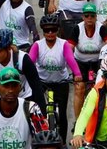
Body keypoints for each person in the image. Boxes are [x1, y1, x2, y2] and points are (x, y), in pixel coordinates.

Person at [29, 13, 82, 145]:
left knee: (62, 114)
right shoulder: (37, 45)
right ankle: (37, 139)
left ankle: (63, 142)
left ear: (58, 30)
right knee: (38, 112)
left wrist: (77, 73)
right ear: (43, 31)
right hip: (42, 83)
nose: (50, 33)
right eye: (47, 30)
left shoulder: (63, 44)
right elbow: (30, 63)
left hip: (60, 82)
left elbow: (70, 59)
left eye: (53, 29)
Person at [0, 29, 47, 118]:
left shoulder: (23, 59)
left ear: (8, 48)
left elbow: (37, 88)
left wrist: (43, 116)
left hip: (22, 100)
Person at [0, 67, 49, 149]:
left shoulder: (31, 108)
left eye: (14, 86)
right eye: (6, 86)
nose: (10, 90)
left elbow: (43, 139)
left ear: (20, 87)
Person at [68, 3, 107, 118]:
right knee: (79, 88)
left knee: (103, 88)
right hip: (80, 62)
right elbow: (69, 49)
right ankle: (78, 122)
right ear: (83, 17)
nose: (89, 18)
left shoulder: (101, 28)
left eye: (92, 16)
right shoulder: (77, 28)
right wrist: (75, 71)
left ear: (96, 17)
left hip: (98, 62)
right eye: (87, 16)